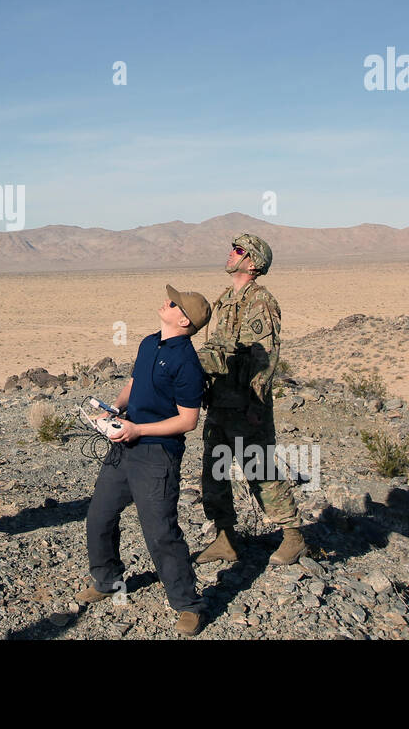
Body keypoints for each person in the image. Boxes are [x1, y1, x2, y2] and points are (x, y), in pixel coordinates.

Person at [77, 285, 213, 636]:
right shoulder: (150, 342)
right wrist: (115, 408)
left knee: (160, 532)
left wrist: (139, 430)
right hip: (124, 447)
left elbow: (188, 420)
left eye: (173, 303)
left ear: (183, 319)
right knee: (99, 516)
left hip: (156, 455)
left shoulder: (187, 362)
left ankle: (188, 604)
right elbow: (134, 384)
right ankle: (106, 580)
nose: (166, 301)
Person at [194, 233, 307, 567]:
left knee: (258, 467)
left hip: (245, 402)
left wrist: (255, 405)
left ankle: (293, 536)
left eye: (239, 251)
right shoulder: (226, 299)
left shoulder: (261, 301)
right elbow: (219, 348)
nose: (231, 254)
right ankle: (225, 537)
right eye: (232, 248)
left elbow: (264, 358)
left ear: (253, 263)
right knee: (214, 470)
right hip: (220, 400)